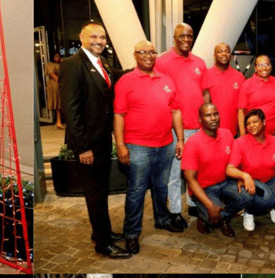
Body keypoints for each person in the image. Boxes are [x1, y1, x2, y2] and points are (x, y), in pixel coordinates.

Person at [59, 22, 130, 259]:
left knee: (101, 191)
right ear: (82, 37)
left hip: (100, 141)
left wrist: (140, 66)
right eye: (94, 36)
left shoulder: (102, 63)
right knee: (96, 193)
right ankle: (103, 244)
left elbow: (115, 78)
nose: (99, 41)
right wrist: (83, 148)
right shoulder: (72, 65)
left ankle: (102, 231)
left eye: (102, 37)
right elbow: (70, 110)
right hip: (87, 145)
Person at [114, 40, 185, 255]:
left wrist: (180, 139)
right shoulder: (126, 81)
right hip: (137, 147)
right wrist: (120, 145)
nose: (148, 55)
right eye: (143, 52)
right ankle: (132, 234)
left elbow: (176, 111)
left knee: (161, 187)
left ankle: (162, 219)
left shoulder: (166, 80)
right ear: (135, 55)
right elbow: (119, 115)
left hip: (165, 145)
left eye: (152, 52)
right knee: (136, 191)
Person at [156, 23, 206, 228]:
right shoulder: (162, 61)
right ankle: (175, 211)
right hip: (176, 128)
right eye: (182, 36)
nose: (186, 39)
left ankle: (193, 203)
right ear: (174, 38)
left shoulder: (200, 62)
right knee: (176, 173)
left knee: (194, 170)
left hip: (198, 127)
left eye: (190, 35)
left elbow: (204, 94)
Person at [181, 103, 255, 237]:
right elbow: (190, 180)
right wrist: (210, 206)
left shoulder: (227, 134)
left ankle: (222, 217)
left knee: (249, 196)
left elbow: (236, 159)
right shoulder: (192, 143)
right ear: (200, 120)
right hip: (204, 188)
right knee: (214, 212)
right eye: (208, 115)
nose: (213, 118)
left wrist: (239, 177)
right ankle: (207, 215)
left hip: (225, 183)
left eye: (215, 114)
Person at [201, 43, 245, 136]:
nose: (224, 54)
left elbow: (242, 107)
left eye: (227, 51)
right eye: (220, 51)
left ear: (230, 55)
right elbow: (204, 105)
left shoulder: (239, 77)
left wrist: (242, 132)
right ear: (214, 55)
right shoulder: (207, 75)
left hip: (235, 132)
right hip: (213, 132)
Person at [238, 55, 275, 137]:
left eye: (267, 64)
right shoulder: (247, 84)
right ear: (255, 68)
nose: (264, 68)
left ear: (271, 67)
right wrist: (243, 134)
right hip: (254, 133)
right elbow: (241, 111)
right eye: (260, 65)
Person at [45, 52, 64, 129]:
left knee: (60, 103)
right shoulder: (50, 65)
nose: (58, 58)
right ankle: (58, 122)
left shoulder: (61, 64)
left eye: (59, 56)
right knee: (57, 103)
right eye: (56, 56)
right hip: (55, 85)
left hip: (60, 84)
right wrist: (62, 82)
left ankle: (59, 122)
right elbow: (52, 75)